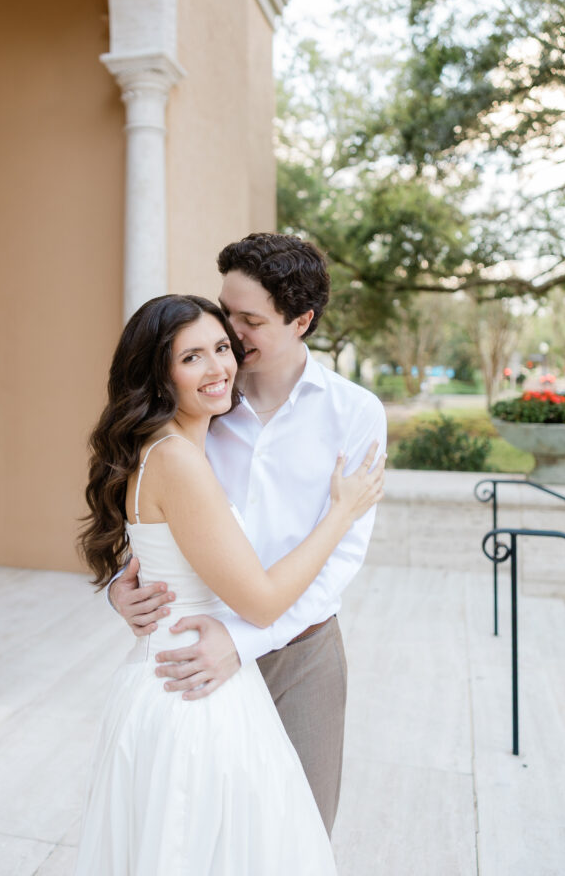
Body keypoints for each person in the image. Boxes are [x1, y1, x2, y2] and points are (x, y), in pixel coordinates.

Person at [75, 293, 384, 874]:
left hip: (208, 668)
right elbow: (260, 600)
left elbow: (161, 538)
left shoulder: (176, 439)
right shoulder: (181, 454)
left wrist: (135, 574)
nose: (223, 362)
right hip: (196, 686)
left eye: (224, 345)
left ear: (301, 322)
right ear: (158, 371)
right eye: (194, 356)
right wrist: (340, 512)